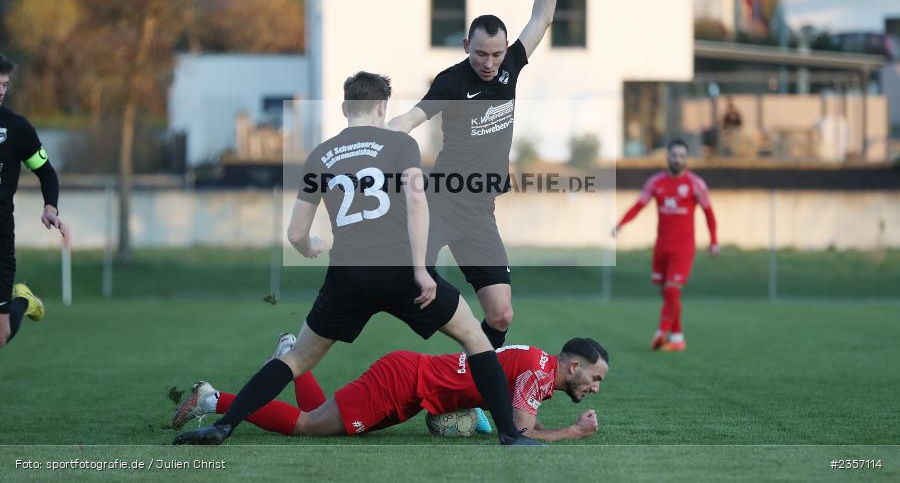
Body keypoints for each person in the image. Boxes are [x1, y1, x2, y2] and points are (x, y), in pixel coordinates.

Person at [173, 72, 536, 446]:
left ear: (345, 107)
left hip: (347, 276)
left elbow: (296, 232)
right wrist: (420, 271)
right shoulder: (399, 144)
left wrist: (308, 245)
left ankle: (224, 424)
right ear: (383, 107)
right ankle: (510, 434)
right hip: (401, 275)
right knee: (475, 339)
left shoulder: (319, 155)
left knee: (297, 358)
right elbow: (415, 201)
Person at [387, 0, 564, 351]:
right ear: (467, 44)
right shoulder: (450, 81)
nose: (489, 62)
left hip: (480, 211)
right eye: (481, 53)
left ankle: (469, 382)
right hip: (442, 201)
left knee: (502, 313)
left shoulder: (511, 66)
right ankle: (316, 330)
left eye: (497, 53)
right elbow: (411, 118)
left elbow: (542, 16)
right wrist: (373, 137)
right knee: (406, 283)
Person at [173, 336, 608, 444]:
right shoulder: (537, 371)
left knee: (329, 422)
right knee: (308, 426)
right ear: (573, 367)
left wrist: (472, 414)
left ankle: (291, 353)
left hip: (410, 384)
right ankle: (213, 399)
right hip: (403, 383)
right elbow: (520, 432)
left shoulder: (536, 365)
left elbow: (492, 396)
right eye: (595, 377)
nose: (596, 387)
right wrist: (572, 432)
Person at [611, 140, 718, 352]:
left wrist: (714, 241)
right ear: (667, 156)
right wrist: (621, 223)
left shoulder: (696, 184)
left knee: (672, 291)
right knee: (667, 294)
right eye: (674, 155)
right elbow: (639, 205)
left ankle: (661, 333)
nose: (677, 159)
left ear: (687, 159)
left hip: (684, 247)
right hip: (661, 246)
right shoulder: (655, 182)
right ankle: (677, 337)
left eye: (681, 155)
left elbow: (709, 213)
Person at [0, 53, 69, 349]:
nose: (1, 90)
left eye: (4, 84)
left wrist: (50, 207)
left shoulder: (17, 128)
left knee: (0, 336)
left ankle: (22, 301)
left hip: (0, 237)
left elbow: (46, 172)